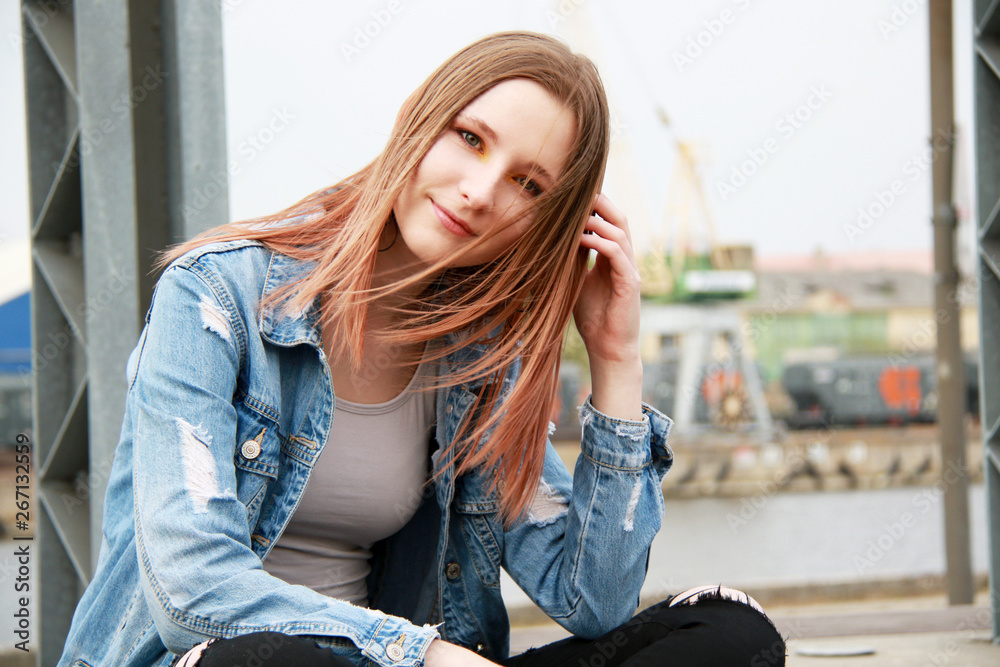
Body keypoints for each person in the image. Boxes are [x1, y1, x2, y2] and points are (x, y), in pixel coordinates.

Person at [57, 32, 785, 667]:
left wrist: (615, 358)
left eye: (527, 184)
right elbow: (192, 591)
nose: (478, 190)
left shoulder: (475, 364)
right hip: (227, 660)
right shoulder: (216, 297)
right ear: (419, 121)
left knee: (726, 631)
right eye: (470, 138)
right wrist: (428, 654)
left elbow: (592, 598)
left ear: (549, 223)